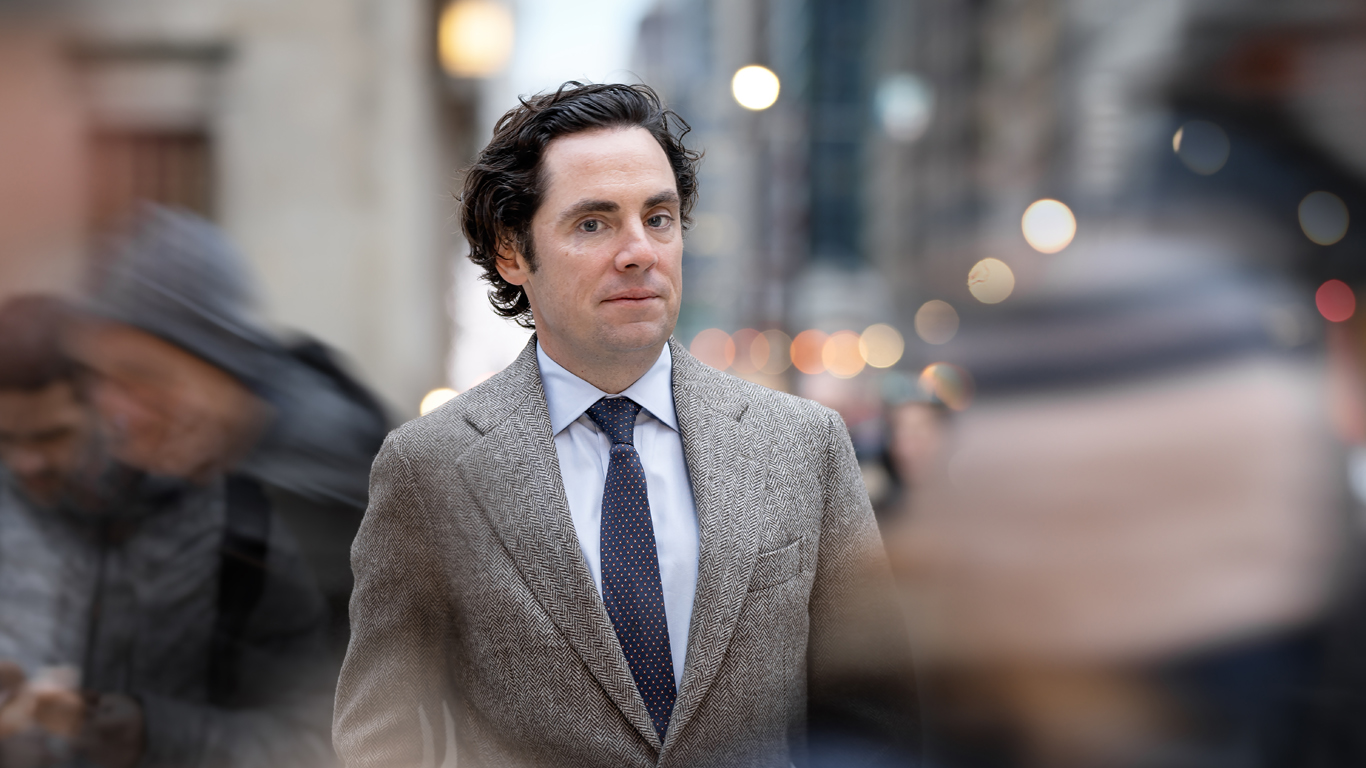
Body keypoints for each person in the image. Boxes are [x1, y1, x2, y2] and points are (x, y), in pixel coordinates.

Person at [333, 82, 920, 768]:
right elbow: (382, 733)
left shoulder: (803, 444)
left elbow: (877, 715)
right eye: (594, 223)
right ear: (512, 252)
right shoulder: (428, 467)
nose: (640, 250)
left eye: (659, 218)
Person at [0, 294, 336, 768]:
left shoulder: (239, 534)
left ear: (113, 406)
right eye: (5, 439)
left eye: (51, 436)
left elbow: (317, 742)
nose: (25, 464)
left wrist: (150, 735)